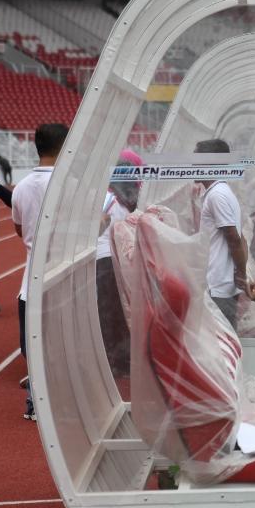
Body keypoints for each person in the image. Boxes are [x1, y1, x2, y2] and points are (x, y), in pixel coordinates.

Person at [7, 123, 68, 420]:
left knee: (33, 344)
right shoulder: (71, 183)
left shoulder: (21, 187)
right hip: (65, 275)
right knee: (64, 342)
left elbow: (19, 229)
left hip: (31, 279)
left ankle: (36, 401)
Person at [97, 149, 141, 377]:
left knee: (111, 313)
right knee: (114, 312)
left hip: (108, 261)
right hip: (111, 260)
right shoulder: (117, 200)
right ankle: (117, 361)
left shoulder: (113, 198)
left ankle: (116, 361)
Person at [196, 139, 248, 328]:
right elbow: (241, 238)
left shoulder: (217, 195)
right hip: (223, 281)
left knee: (221, 340)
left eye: (196, 159)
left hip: (218, 283)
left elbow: (234, 238)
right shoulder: (220, 192)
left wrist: (241, 273)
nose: (192, 165)